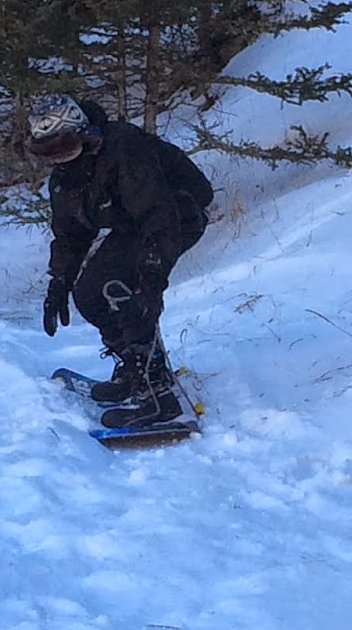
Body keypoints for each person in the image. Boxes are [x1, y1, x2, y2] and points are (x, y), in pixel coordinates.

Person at [29, 94, 214, 429]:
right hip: (134, 223)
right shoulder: (65, 178)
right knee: (88, 293)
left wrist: (153, 280)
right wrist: (58, 284)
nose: (60, 161)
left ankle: (156, 393)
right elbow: (70, 235)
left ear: (84, 135)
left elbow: (158, 215)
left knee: (121, 287)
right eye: (50, 155)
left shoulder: (124, 149)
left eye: (67, 149)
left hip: (176, 213)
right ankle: (134, 367)